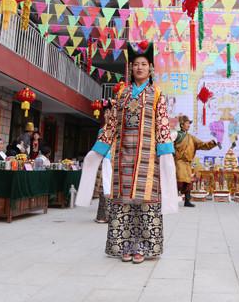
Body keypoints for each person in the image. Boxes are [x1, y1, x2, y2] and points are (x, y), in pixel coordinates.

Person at [76, 41, 177, 265]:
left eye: (144, 64)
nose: (139, 68)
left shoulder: (156, 94)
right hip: (122, 158)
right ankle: (124, 245)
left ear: (150, 68)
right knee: (123, 202)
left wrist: (166, 154)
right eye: (136, 64)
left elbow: (162, 125)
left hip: (148, 158)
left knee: (145, 201)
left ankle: (143, 247)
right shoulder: (122, 94)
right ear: (131, 68)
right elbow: (112, 124)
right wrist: (98, 150)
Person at [173, 115, 218, 208]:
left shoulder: (191, 138)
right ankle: (172, 200)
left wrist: (212, 143)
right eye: (187, 123)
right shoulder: (176, 135)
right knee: (179, 181)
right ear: (182, 124)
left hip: (188, 164)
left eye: (189, 123)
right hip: (179, 162)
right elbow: (170, 146)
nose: (189, 125)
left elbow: (202, 144)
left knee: (188, 182)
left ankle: (187, 201)